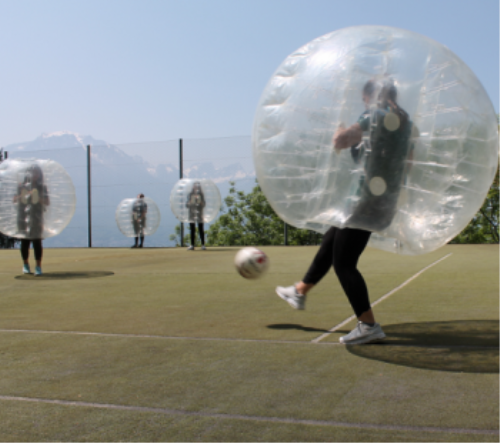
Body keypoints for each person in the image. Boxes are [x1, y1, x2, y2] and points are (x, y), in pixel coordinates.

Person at [276, 79, 414, 345]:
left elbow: (340, 140)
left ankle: (368, 324)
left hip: (365, 201)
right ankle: (299, 291)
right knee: (331, 240)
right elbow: (406, 163)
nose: (362, 103)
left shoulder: (374, 115)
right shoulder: (404, 124)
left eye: (363, 99)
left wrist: (338, 129)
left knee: (344, 262)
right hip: (381, 200)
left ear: (370, 98)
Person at [14, 164, 50, 276]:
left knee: (37, 241)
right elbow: (14, 200)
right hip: (23, 217)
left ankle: (38, 266)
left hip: (37, 217)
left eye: (37, 173)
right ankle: (25, 264)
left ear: (39, 175)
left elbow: (47, 202)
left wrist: (37, 198)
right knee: (25, 241)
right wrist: (23, 196)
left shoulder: (42, 187)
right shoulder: (21, 186)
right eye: (32, 172)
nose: (35, 175)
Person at [186, 181, 206, 250]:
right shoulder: (190, 195)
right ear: (193, 187)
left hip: (200, 214)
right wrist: (190, 202)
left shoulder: (201, 195)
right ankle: (192, 245)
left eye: (197, 186)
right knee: (192, 229)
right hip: (192, 214)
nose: (196, 188)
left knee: (201, 229)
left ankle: (203, 245)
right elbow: (187, 205)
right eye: (195, 186)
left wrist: (200, 202)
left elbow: (204, 205)